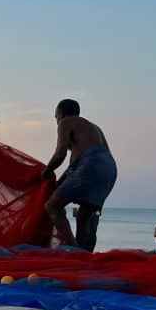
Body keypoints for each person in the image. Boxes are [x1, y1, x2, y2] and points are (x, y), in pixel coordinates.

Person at [41, 99, 117, 252]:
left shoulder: (66, 122)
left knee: (52, 206)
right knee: (84, 216)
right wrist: (56, 185)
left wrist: (45, 173)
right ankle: (85, 253)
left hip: (91, 165)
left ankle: (73, 250)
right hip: (109, 169)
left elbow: (59, 154)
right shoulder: (93, 128)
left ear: (61, 113)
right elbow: (73, 168)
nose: (56, 121)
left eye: (56, 117)